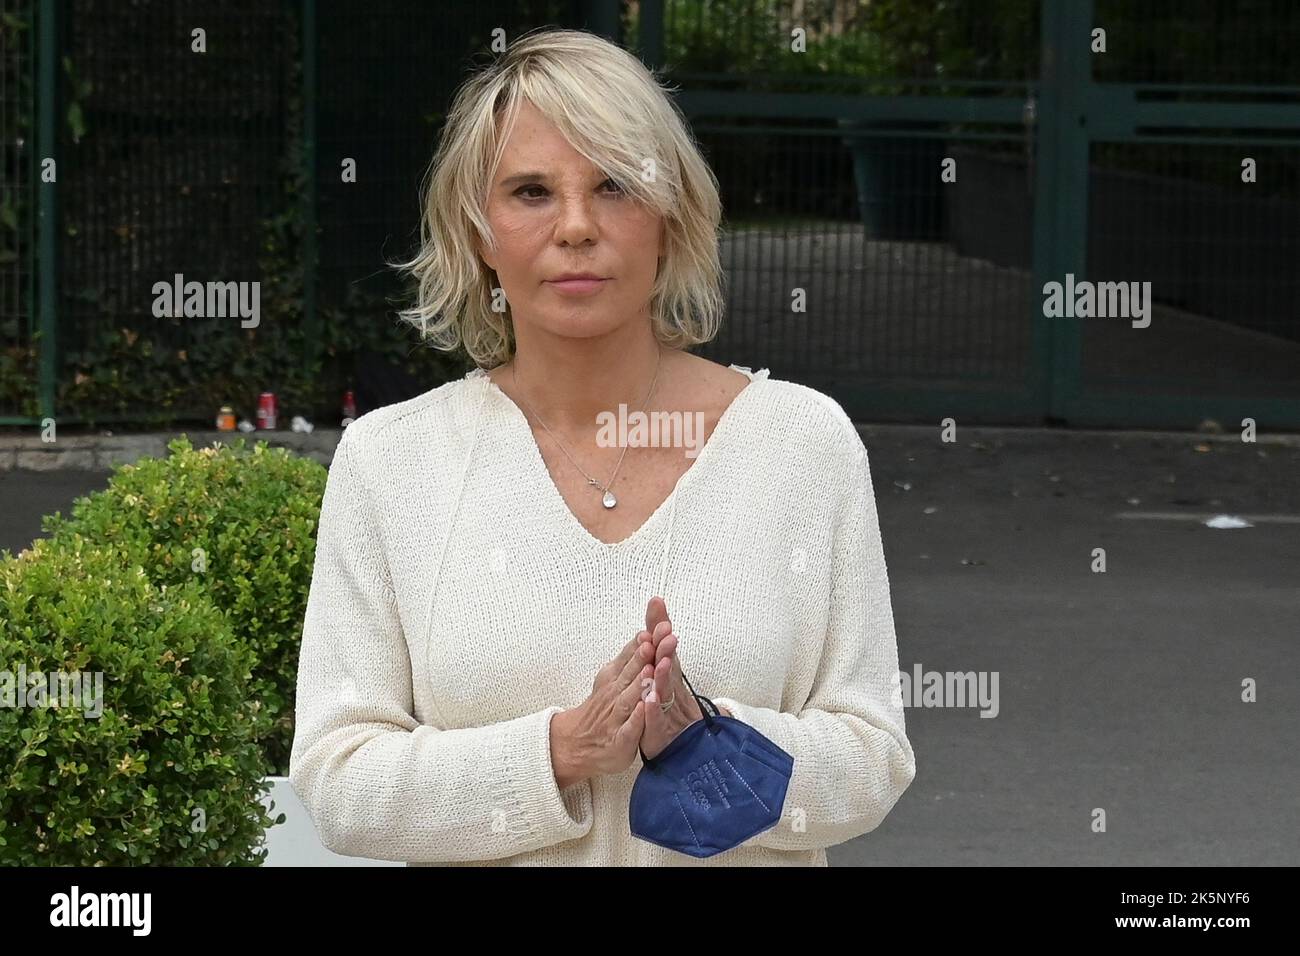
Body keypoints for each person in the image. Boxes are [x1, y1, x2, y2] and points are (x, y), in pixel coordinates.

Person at [288, 27, 915, 866]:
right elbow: (339, 783)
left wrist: (712, 747)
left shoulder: (802, 443)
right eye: (532, 192)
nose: (577, 226)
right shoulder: (390, 462)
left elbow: (872, 761)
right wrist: (557, 754)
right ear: (480, 234)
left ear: (670, 217)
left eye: (616, 186)